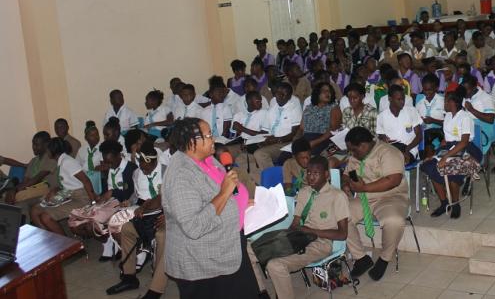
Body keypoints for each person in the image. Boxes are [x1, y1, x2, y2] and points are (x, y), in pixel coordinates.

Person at [161, 118, 259, 297]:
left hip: (228, 247)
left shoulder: (207, 159)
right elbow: (194, 226)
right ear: (192, 142)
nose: (213, 139)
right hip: (203, 261)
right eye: (208, 136)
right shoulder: (181, 175)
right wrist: (223, 193)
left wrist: (242, 205)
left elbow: (223, 194)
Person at [265, 156, 349, 299]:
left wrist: (311, 231)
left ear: (326, 175)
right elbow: (296, 222)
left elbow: (342, 234)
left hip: (321, 242)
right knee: (251, 249)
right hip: (301, 237)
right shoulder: (304, 192)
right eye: (308, 173)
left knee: (275, 265)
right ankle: (262, 292)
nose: (310, 177)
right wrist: (286, 237)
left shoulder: (337, 196)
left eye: (316, 173)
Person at [344, 127, 408, 282]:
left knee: (394, 221)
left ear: (364, 145)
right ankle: (361, 258)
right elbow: (347, 174)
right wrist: (347, 184)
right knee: (340, 214)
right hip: (363, 198)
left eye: (354, 149)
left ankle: (385, 258)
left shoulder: (388, 152)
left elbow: (393, 180)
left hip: (391, 197)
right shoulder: (356, 156)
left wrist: (364, 187)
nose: (352, 153)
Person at [106, 142, 166, 299]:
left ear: (154, 162)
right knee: (126, 228)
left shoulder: (167, 171)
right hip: (145, 212)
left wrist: (149, 208)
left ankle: (156, 284)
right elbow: (137, 194)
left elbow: (165, 198)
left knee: (161, 236)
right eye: (141, 166)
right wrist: (131, 202)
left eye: (146, 167)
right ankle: (129, 277)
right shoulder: (137, 173)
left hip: (165, 213)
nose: (143, 170)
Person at [423, 87, 482, 219]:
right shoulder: (448, 116)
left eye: (446, 101)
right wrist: (439, 152)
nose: (444, 104)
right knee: (430, 167)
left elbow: (464, 142)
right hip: (450, 148)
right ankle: (444, 203)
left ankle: (455, 204)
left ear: (453, 103)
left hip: (467, 149)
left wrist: (445, 156)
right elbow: (449, 136)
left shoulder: (465, 117)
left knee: (452, 172)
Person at [30, 138, 97, 235]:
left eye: (47, 150)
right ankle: (48, 239)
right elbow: (68, 182)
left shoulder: (67, 162)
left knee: (46, 217)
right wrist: (56, 190)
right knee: (35, 210)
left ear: (53, 151)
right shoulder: (61, 161)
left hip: (81, 198)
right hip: (68, 194)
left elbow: (85, 180)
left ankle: (67, 246)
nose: (46, 152)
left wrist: (93, 202)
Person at [1, 131, 57, 216]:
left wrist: (15, 190)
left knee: (21, 205)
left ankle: (25, 229)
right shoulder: (33, 161)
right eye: (33, 144)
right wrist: (15, 190)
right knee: (7, 202)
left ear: (46, 145)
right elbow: (25, 180)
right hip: (32, 190)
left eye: (36, 144)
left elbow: (37, 179)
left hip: (47, 191)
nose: (33, 147)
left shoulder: (51, 159)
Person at [255, 83, 302, 170]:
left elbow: (293, 134)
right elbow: (266, 129)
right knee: (245, 153)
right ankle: (261, 178)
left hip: (285, 142)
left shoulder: (294, 108)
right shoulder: (273, 106)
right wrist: (254, 138)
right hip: (271, 139)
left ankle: (274, 179)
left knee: (260, 154)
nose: (279, 96)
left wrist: (275, 140)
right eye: (277, 93)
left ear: (289, 96)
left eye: (283, 94)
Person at [375, 85, 423, 164]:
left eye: (403, 99)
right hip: (391, 149)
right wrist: (384, 139)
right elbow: (380, 136)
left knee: (394, 161)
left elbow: (419, 136)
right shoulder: (381, 116)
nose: (402, 102)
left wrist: (407, 149)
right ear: (390, 99)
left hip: (409, 149)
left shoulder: (411, 111)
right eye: (399, 99)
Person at [298, 82, 341, 155]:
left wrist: (314, 142)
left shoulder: (334, 108)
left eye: (329, 91)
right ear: (317, 93)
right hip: (306, 139)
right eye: (324, 91)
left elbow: (333, 131)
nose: (328, 93)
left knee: (306, 155)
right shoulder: (309, 108)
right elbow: (302, 127)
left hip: (322, 140)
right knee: (285, 155)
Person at [415, 74, 445, 149]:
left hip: (438, 135)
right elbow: (415, 119)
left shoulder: (443, 100)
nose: (427, 92)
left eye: (430, 90)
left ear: (436, 88)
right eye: (425, 90)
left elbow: (449, 122)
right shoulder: (419, 100)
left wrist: (433, 121)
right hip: (422, 134)